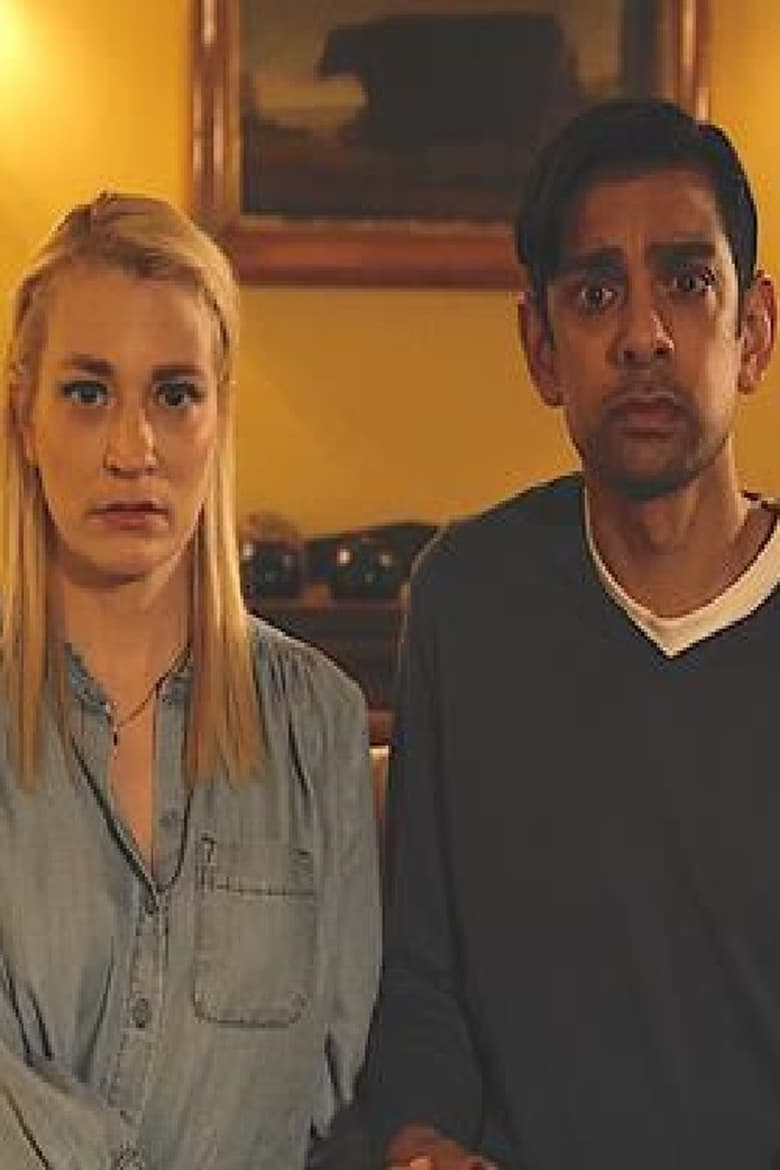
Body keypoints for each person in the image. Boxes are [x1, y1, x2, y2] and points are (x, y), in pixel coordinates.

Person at [361, 99, 780, 1169]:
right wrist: (418, 1141)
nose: (644, 334)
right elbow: (422, 979)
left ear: (754, 333)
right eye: (597, 293)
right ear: (542, 348)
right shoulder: (467, 601)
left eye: (687, 282)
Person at [0, 192, 380, 1169]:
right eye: (88, 393)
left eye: (174, 395)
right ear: (24, 414)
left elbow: (345, 1089)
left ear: (219, 415)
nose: (133, 450)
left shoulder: (318, 725)